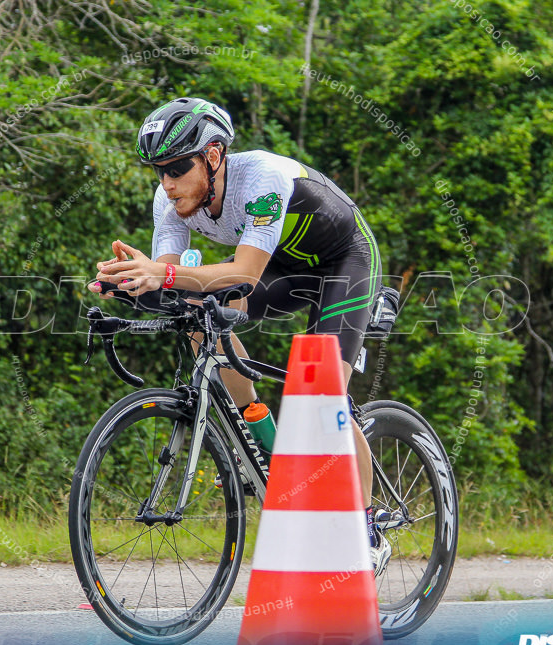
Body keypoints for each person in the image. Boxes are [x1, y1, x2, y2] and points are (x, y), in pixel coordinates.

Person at [88, 96, 396, 570]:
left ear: (212, 157)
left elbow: (246, 274)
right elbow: (168, 281)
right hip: (285, 269)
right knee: (192, 309)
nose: (168, 184)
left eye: (176, 168)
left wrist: (162, 276)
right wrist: (131, 284)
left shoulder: (264, 180)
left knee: (322, 395)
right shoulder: (170, 200)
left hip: (342, 264)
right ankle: (259, 430)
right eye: (159, 172)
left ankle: (367, 525)